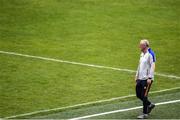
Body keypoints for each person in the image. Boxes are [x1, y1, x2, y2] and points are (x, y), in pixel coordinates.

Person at [135, 39, 156, 119]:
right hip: (140, 78)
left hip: (147, 79)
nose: (139, 46)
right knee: (138, 94)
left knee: (144, 96)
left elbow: (153, 66)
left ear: (145, 46)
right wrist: (136, 75)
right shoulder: (142, 54)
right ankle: (150, 104)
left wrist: (150, 77)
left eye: (141, 45)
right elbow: (140, 65)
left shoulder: (151, 54)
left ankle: (145, 113)